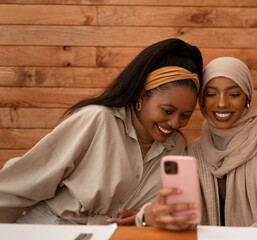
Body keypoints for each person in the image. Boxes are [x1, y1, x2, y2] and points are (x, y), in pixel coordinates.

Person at [0, 38, 203, 225]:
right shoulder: (97, 120)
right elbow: (26, 180)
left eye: (185, 115)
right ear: (142, 95)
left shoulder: (175, 146)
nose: (175, 123)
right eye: (168, 111)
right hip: (50, 229)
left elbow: (163, 213)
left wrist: (145, 216)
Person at [138, 57, 257, 229]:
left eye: (233, 94)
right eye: (211, 94)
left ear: (247, 97)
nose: (222, 103)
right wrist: (144, 216)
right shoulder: (193, 152)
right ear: (202, 101)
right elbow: (176, 212)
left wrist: (246, 236)